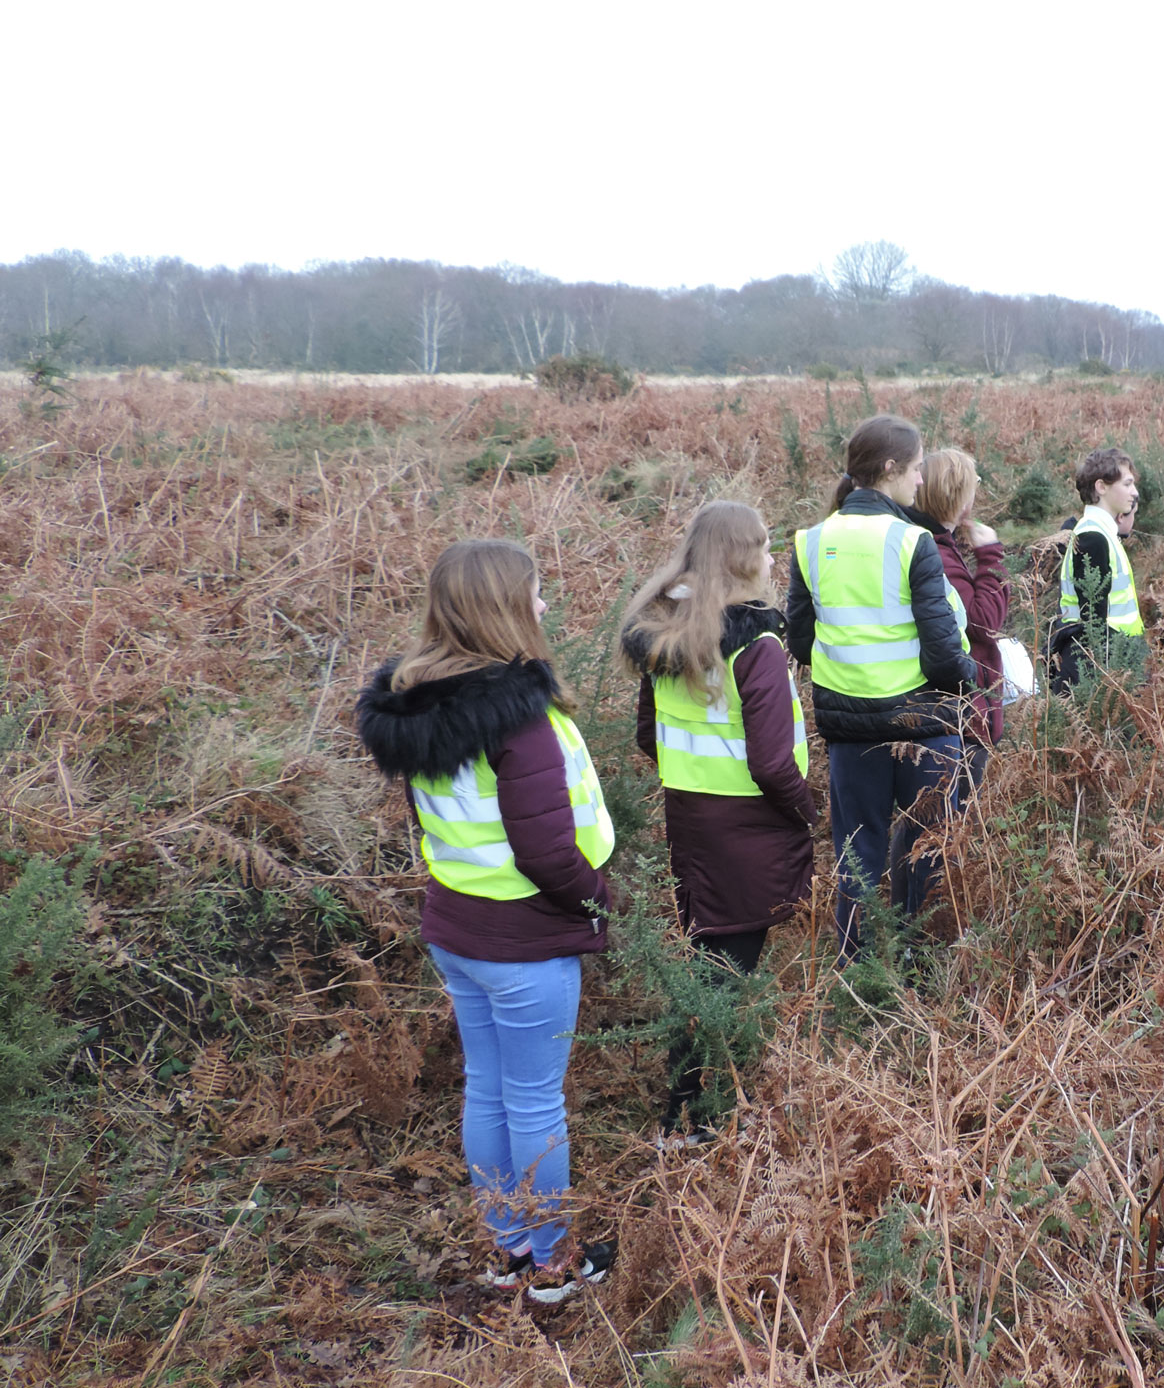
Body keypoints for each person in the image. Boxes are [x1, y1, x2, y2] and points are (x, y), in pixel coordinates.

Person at [355, 539, 615, 1304]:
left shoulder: (420, 712)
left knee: (488, 1088)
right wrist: (599, 901)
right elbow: (545, 851)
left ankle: (508, 1251)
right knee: (535, 1100)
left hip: (457, 933)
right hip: (525, 942)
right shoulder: (520, 722)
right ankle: (554, 1265)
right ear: (503, 608)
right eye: (535, 593)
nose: (544, 606)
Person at [620, 501, 816, 1139]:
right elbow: (770, 760)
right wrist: (807, 813)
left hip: (691, 819)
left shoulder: (670, 631)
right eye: (763, 546)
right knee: (722, 974)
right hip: (749, 827)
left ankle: (692, 1106)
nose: (770, 558)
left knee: (710, 957)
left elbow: (648, 736)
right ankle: (688, 1118)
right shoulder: (756, 640)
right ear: (742, 558)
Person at [786, 414, 979, 960]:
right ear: (891, 469)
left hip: (850, 734)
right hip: (921, 728)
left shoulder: (810, 541)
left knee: (857, 853)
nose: (921, 481)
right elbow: (944, 653)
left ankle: (859, 973)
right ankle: (914, 962)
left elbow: (800, 642)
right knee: (925, 848)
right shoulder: (912, 540)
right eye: (917, 469)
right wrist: (974, 680)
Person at [908, 446, 1010, 783]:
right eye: (973, 484)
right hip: (959, 714)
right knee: (944, 824)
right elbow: (982, 622)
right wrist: (991, 557)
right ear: (955, 494)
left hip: (953, 712)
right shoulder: (936, 553)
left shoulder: (935, 544)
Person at [1050, 446, 1144, 693]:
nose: (1134, 492)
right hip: (1097, 665)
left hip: (1110, 658)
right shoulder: (1093, 537)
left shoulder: (1101, 533)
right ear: (1101, 487)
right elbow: (1093, 620)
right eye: (1127, 484)